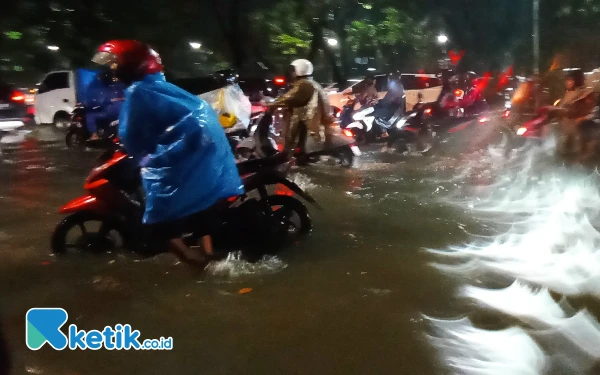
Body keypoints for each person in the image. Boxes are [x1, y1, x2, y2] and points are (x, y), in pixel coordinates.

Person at [92, 40, 243, 265]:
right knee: (200, 201)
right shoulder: (159, 85)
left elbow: (132, 133)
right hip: (205, 153)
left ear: (131, 65)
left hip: (189, 153)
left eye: (115, 64)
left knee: (158, 216)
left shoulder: (138, 91)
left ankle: (193, 261)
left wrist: (139, 152)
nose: (111, 69)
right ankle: (208, 255)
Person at [268, 59, 334, 161]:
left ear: (299, 71)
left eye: (293, 70)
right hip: (314, 119)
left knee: (291, 140)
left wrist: (271, 105)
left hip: (308, 119)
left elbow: (289, 97)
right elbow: (298, 100)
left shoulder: (303, 84)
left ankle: (288, 157)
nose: (291, 73)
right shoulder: (313, 83)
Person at [552, 69, 598, 161]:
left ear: (577, 80)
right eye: (567, 80)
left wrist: (576, 115)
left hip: (578, 124)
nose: (567, 82)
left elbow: (588, 110)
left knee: (575, 147)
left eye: (570, 80)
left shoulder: (585, 93)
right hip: (566, 124)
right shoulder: (568, 93)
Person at [85, 69, 125, 140]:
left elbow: (101, 101)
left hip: (110, 113)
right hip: (121, 112)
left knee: (90, 116)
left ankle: (94, 135)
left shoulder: (107, 88)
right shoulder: (120, 86)